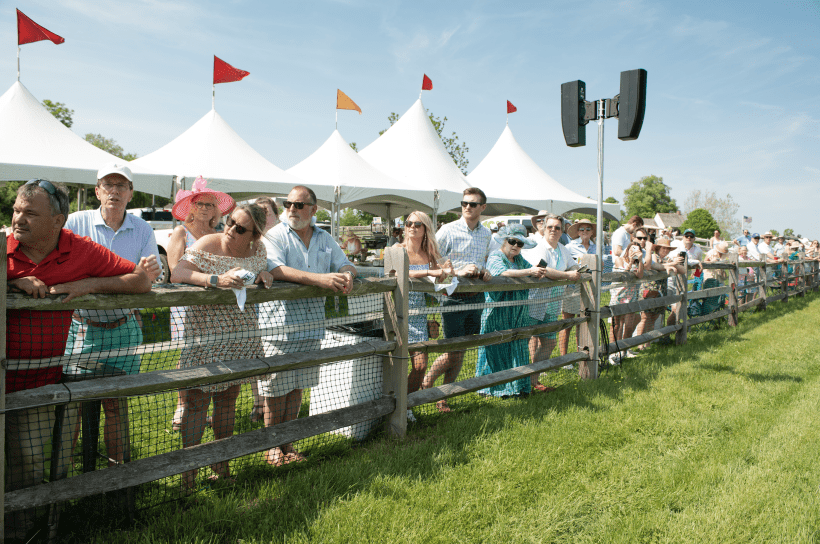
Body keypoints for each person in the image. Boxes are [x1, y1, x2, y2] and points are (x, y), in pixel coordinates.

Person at [6, 179, 151, 539]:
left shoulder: (80, 250)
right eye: (16, 211)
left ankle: (20, 534)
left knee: (30, 461)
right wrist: (12, 282)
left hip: (38, 380)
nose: (18, 220)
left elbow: (140, 281)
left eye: (30, 213)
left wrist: (87, 284)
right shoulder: (1, 246)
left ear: (58, 221)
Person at [63, 163, 162, 467]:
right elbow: (64, 269)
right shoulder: (75, 222)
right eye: (108, 185)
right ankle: (61, 479)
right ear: (97, 191)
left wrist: (92, 282)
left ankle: (117, 476)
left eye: (121, 186)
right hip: (83, 327)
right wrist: (130, 280)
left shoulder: (143, 228)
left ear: (131, 193)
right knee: (73, 405)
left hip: (124, 328)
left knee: (116, 405)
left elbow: (150, 279)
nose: (114, 191)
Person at [171, 204, 272, 490]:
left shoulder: (258, 251)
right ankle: (188, 475)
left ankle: (221, 467)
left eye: (239, 228)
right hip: (205, 335)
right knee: (195, 402)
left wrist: (266, 276)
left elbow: (260, 270)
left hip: (240, 336)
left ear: (255, 235)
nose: (229, 230)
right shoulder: (208, 243)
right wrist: (215, 280)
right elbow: (178, 272)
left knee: (228, 400)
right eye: (229, 222)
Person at [257, 186, 356, 466]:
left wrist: (347, 275)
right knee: (276, 392)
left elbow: (345, 263)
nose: (292, 209)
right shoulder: (274, 236)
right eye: (288, 203)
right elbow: (276, 270)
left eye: (299, 205)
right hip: (279, 327)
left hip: (311, 327)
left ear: (314, 209)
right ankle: (271, 448)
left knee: (297, 389)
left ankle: (288, 445)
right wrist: (322, 280)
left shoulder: (325, 238)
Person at [167, 176, 236, 431]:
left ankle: (204, 403)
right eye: (200, 203)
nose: (205, 208)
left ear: (216, 210)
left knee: (208, 350)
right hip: (187, 301)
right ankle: (183, 404)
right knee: (188, 353)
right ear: (192, 207)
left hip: (213, 305)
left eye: (209, 204)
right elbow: (174, 268)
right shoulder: (180, 232)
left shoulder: (219, 235)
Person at [422, 187, 492, 412]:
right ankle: (427, 384)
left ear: (482, 207)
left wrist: (485, 271)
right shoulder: (448, 230)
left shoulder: (486, 234)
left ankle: (444, 396)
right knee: (453, 349)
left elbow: (487, 259)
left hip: (476, 297)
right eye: (464, 204)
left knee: (461, 350)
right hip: (452, 296)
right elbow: (433, 262)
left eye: (472, 204)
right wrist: (458, 271)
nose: (467, 207)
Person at [476, 225, 548, 397]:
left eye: (520, 243)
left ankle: (517, 387)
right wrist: (529, 271)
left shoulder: (520, 259)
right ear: (504, 240)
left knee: (517, 346)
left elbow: (529, 271)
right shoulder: (496, 256)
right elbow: (501, 272)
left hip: (517, 312)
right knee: (495, 347)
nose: (515, 245)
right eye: (512, 241)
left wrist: (536, 272)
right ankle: (490, 388)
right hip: (498, 311)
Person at [398, 211, 452, 420]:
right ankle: (397, 409)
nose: (412, 227)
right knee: (397, 366)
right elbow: (399, 273)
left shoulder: (430, 256)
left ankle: (407, 404)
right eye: (408, 223)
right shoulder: (397, 250)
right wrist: (430, 273)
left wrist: (447, 274)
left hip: (419, 315)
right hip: (398, 313)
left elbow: (443, 283)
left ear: (425, 229)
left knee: (420, 366)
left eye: (417, 224)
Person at [521, 214, 581, 385]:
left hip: (553, 304)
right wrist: (568, 275)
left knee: (549, 342)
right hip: (534, 303)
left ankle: (533, 380)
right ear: (544, 228)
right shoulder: (538, 247)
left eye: (557, 228)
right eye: (550, 227)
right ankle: (518, 382)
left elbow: (572, 263)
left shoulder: (562, 248)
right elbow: (544, 270)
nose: (554, 230)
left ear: (562, 231)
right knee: (524, 342)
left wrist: (576, 268)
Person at [633, 236, 686, 347]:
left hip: (660, 291)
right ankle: (638, 343)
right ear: (658, 249)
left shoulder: (667, 260)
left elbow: (682, 270)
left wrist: (675, 263)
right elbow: (658, 266)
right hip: (650, 290)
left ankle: (646, 343)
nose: (665, 251)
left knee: (654, 317)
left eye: (667, 249)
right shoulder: (653, 256)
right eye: (663, 248)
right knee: (645, 317)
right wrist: (672, 264)